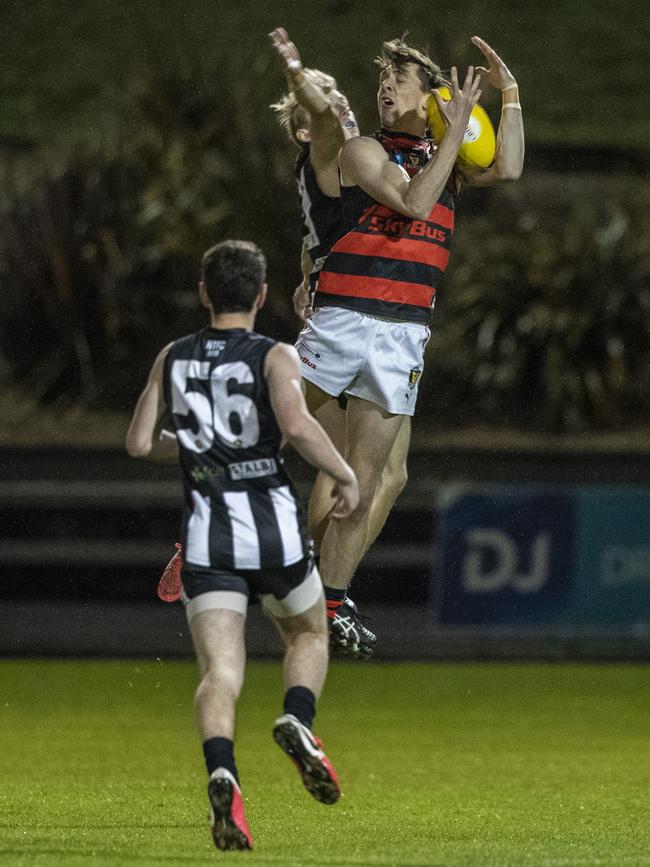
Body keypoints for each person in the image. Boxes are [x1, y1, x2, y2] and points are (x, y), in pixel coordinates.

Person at [126, 240, 359, 851]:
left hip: (208, 534)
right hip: (273, 528)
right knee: (308, 633)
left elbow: (139, 443)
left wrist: (200, 443)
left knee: (221, 671)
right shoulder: (274, 354)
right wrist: (346, 473)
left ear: (205, 293)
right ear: (259, 295)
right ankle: (297, 720)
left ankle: (223, 772)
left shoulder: (172, 357)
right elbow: (297, 425)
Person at [294, 37, 525, 631]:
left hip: (403, 334)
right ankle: (210, 534)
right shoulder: (363, 149)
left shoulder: (447, 158)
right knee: (269, 426)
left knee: (368, 484)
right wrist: (452, 138)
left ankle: (328, 601)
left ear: (431, 98)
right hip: (343, 319)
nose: (385, 89)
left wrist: (510, 95)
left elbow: (510, 166)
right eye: (382, 81)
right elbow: (414, 202)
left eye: (399, 80)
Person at [269, 27, 410, 658]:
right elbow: (324, 115)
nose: (340, 100)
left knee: (391, 475)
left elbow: (315, 241)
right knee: (345, 473)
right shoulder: (328, 143)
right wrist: (300, 76)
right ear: (305, 127)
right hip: (351, 320)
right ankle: (313, 586)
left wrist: (308, 277)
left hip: (342, 305)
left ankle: (320, 585)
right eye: (326, 100)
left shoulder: (346, 159)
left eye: (337, 89)